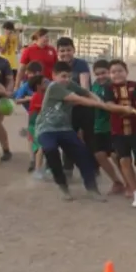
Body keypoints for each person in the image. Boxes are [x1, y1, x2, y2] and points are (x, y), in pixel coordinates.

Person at [33, 64, 133, 201]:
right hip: (46, 128)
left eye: (69, 76)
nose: (66, 79)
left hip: (65, 128)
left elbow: (86, 93)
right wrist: (103, 105)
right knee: (51, 150)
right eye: (63, 76)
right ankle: (63, 186)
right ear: (54, 76)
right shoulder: (54, 87)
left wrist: (98, 100)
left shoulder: (70, 84)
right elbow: (78, 99)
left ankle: (92, 189)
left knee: (83, 154)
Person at [104, 60, 136, 209]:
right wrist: (124, 108)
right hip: (118, 132)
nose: (117, 74)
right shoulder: (108, 88)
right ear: (110, 74)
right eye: (113, 72)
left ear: (126, 72)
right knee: (124, 162)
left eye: (120, 70)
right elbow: (109, 105)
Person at [56, 37, 95, 176]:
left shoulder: (81, 64)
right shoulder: (57, 67)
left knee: (89, 138)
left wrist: (76, 98)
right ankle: (67, 168)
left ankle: (93, 167)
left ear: (74, 50)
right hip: (66, 109)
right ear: (57, 52)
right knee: (68, 137)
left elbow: (85, 87)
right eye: (62, 51)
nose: (65, 53)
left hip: (83, 106)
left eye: (68, 50)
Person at [89, 59, 125, 195]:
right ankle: (117, 182)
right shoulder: (94, 86)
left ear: (109, 72)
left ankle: (129, 183)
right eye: (97, 74)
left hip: (113, 127)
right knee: (99, 155)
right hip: (98, 127)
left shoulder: (114, 87)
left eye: (103, 73)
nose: (100, 76)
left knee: (117, 157)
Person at [13, 60, 44, 172]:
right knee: (31, 138)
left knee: (43, 138)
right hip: (33, 116)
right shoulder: (26, 85)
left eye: (35, 73)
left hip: (46, 116)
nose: (31, 75)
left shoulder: (45, 83)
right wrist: (29, 98)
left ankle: (42, 163)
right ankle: (32, 160)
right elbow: (17, 100)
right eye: (30, 73)